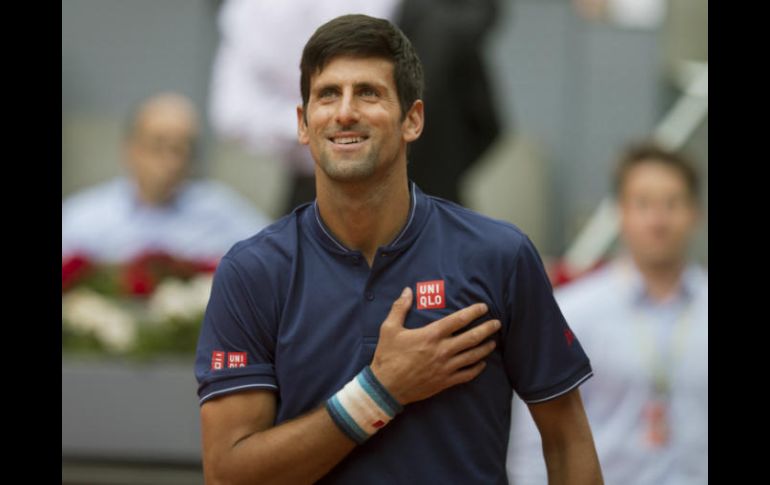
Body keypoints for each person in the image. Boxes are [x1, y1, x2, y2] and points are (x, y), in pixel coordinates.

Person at [195, 14, 603, 485]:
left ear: (413, 120)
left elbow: (567, 441)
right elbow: (228, 476)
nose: (345, 112)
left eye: (368, 93)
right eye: (328, 94)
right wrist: (380, 391)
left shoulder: (499, 255)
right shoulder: (252, 272)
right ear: (303, 124)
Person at [507, 142, 707, 484]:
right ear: (620, 212)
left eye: (672, 203)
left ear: (695, 213)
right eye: (643, 203)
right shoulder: (572, 312)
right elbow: (535, 441)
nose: (658, 220)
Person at [61, 92, 270, 264]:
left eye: (181, 149)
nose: (171, 162)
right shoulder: (83, 217)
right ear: (130, 149)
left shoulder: (222, 211)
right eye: (157, 146)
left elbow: (276, 258)